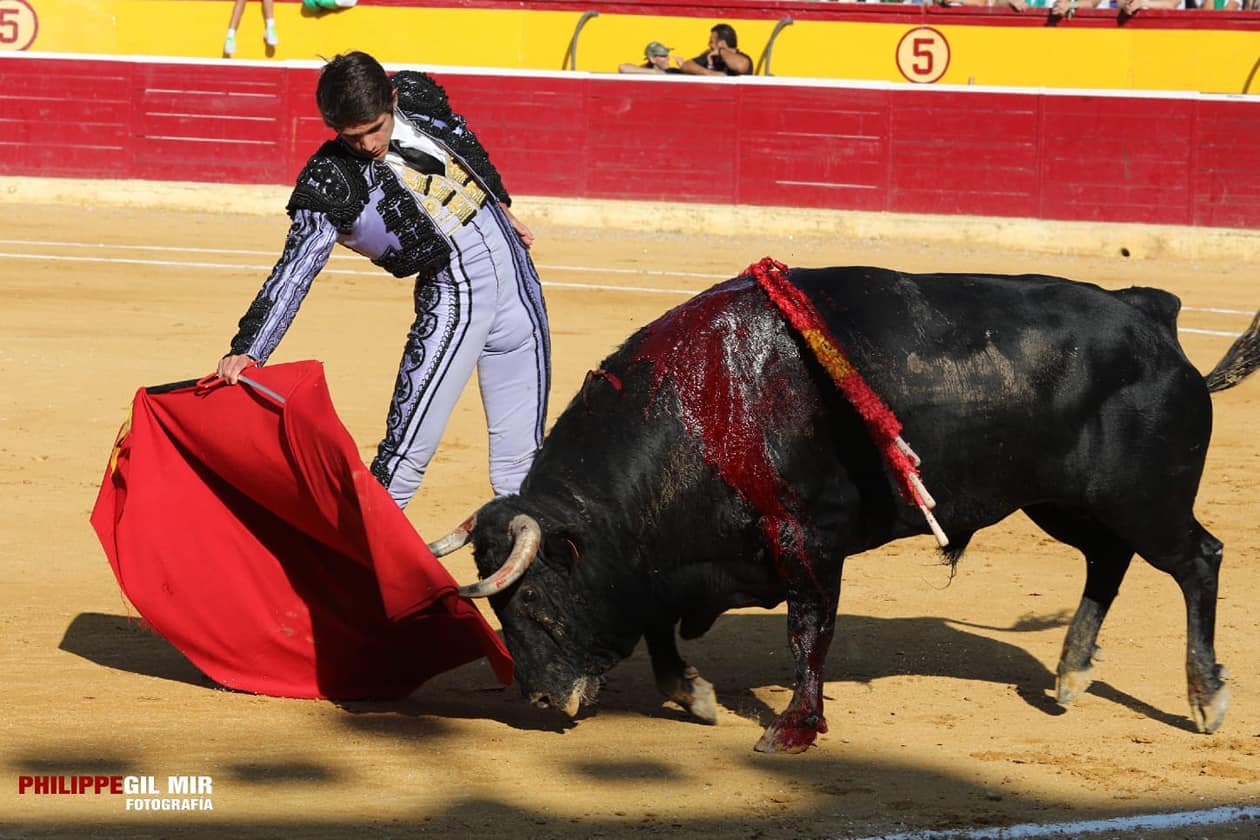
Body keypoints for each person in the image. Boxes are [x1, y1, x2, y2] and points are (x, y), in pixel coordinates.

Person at [215, 51, 551, 508]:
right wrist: (250, 346)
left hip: (517, 280)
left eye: (376, 127)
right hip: (455, 294)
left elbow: (463, 145)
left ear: (391, 99)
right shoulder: (331, 179)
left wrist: (502, 205)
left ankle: (527, 573)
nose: (369, 144)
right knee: (403, 456)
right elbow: (295, 269)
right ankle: (357, 575)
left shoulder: (415, 96)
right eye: (354, 136)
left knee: (524, 462)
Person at [677, 24, 752, 77]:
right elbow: (685, 65)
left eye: (711, 42)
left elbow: (741, 66)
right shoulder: (711, 56)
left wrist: (721, 51)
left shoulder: (743, 58)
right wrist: (709, 73)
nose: (709, 45)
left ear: (722, 43)